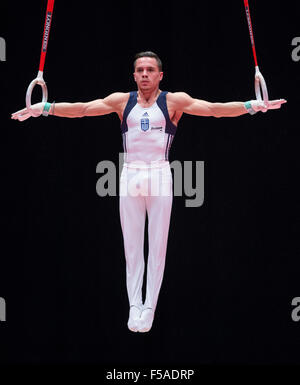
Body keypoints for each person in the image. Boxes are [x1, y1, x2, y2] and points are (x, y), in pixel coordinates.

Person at [11, 51, 287, 333]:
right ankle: (134, 306)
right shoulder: (122, 101)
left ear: (160, 75)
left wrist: (252, 105)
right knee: (132, 248)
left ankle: (149, 307)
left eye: (150, 70)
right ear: (134, 75)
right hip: (130, 174)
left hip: (159, 174)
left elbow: (215, 109)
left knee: (157, 247)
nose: (144, 74)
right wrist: (45, 108)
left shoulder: (174, 101)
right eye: (140, 70)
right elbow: (82, 108)